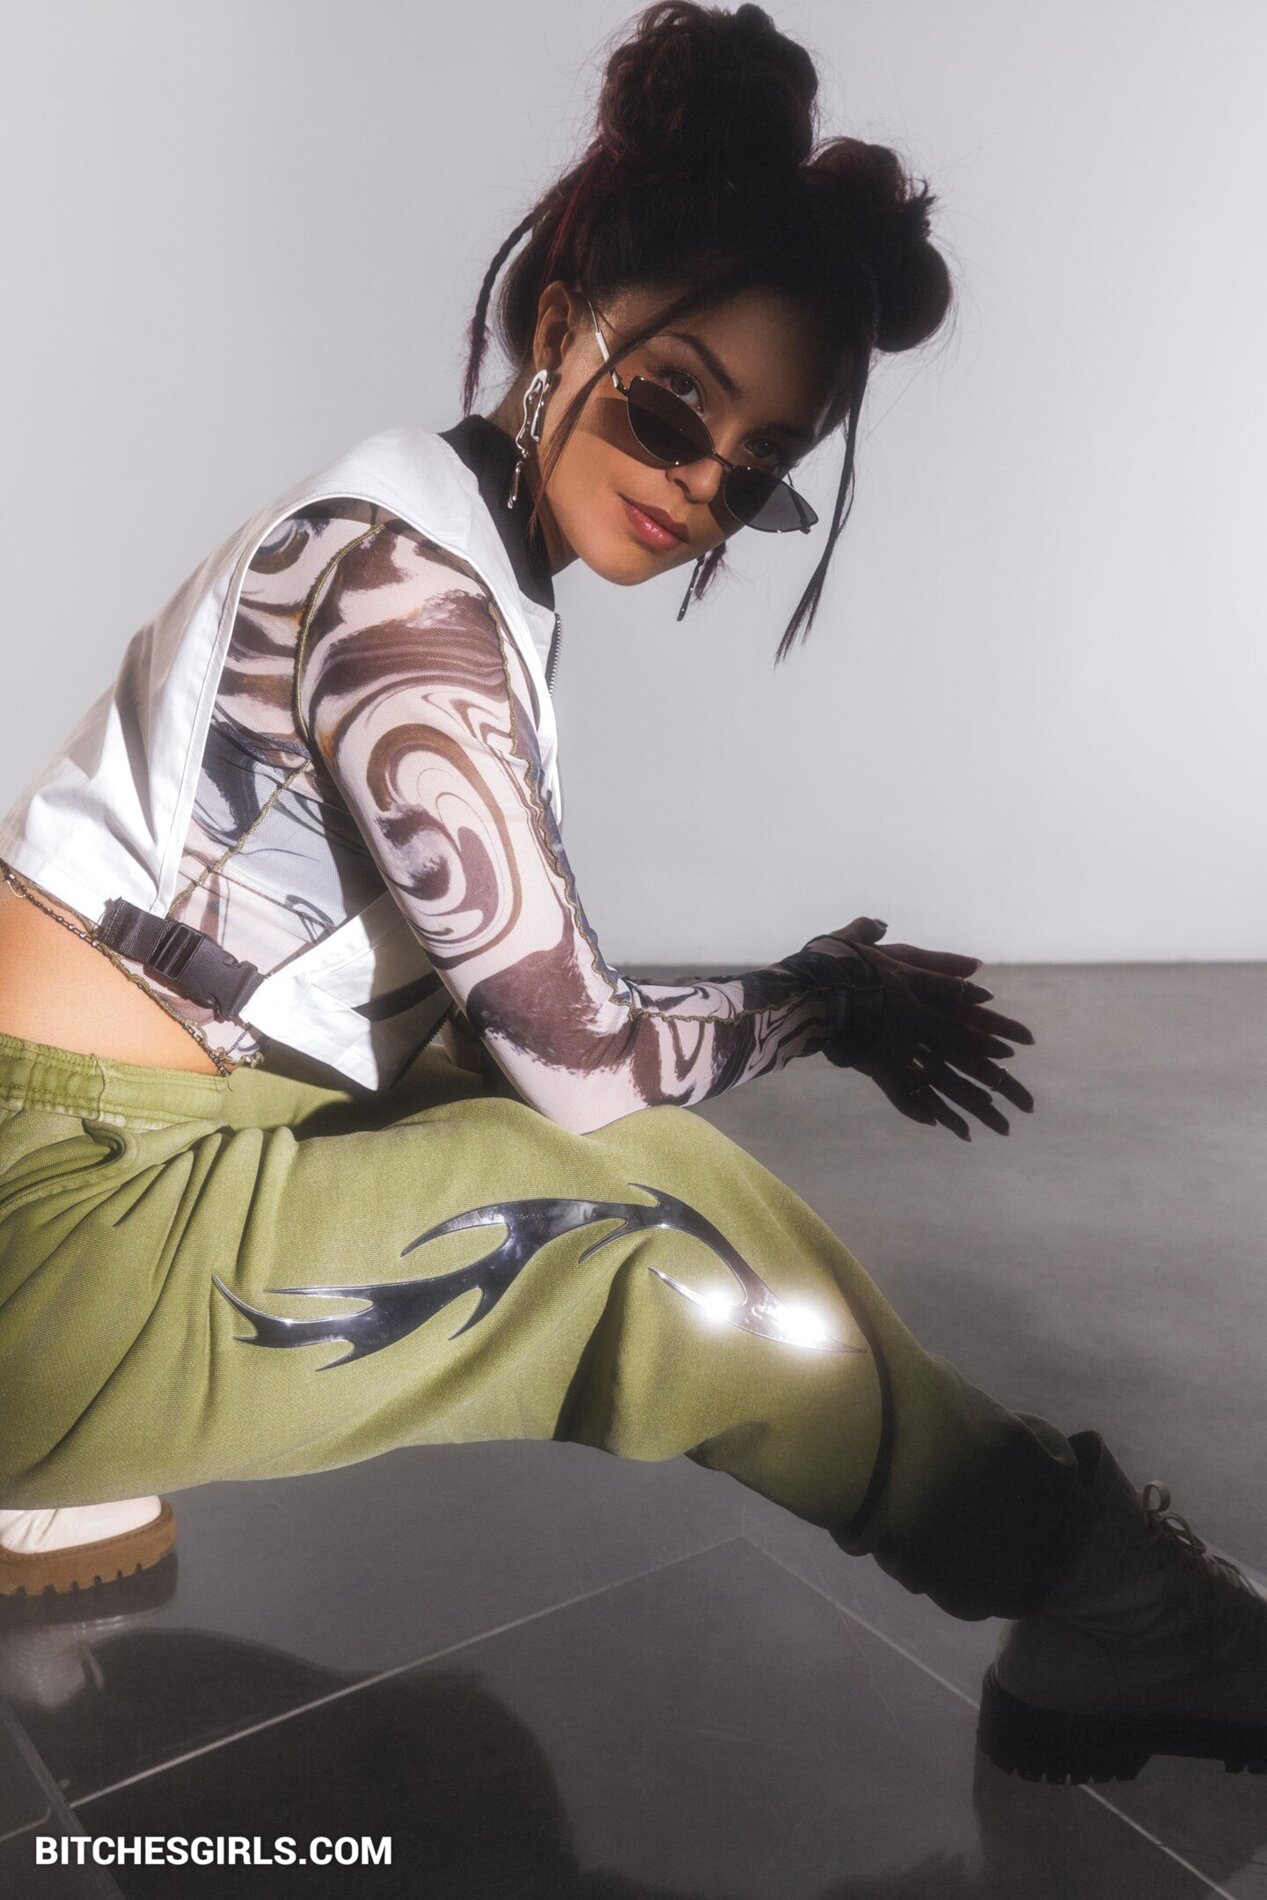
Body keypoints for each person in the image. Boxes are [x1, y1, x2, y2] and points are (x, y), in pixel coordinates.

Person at [0, 0, 1260, 1787]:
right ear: (564, 315)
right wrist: (821, 1001)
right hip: (52, 1226)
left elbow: (508, 1018)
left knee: (537, 1112)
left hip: (106, 1152)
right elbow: (584, 1064)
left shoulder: (439, 533)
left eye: (759, 477)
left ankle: (1089, 1576)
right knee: (646, 1230)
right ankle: (1101, 1597)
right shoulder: (408, 603)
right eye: (680, 407)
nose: (700, 489)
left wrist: (786, 1001)